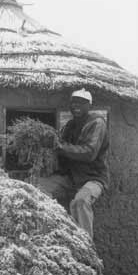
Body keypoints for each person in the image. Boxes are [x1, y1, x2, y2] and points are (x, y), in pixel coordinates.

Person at [37, 88, 109, 238]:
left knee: (80, 201)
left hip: (93, 178)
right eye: (74, 103)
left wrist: (59, 146)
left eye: (81, 103)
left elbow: (89, 153)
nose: (76, 106)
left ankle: (85, 247)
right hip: (70, 177)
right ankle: (47, 237)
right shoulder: (69, 125)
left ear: (89, 105)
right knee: (38, 189)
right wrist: (46, 146)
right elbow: (59, 147)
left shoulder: (97, 123)